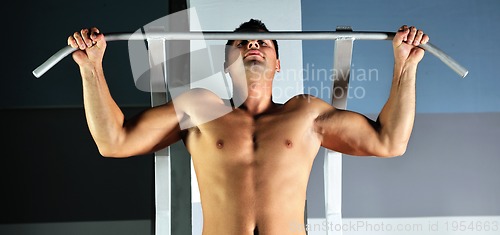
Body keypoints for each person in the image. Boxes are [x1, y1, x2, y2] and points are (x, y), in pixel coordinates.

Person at [68, 19, 429, 235]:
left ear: (278, 63)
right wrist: (92, 68)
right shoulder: (200, 109)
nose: (253, 44)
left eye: (264, 43)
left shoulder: (306, 114)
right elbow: (113, 142)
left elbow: (390, 141)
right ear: (227, 63)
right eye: (242, 43)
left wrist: (405, 65)